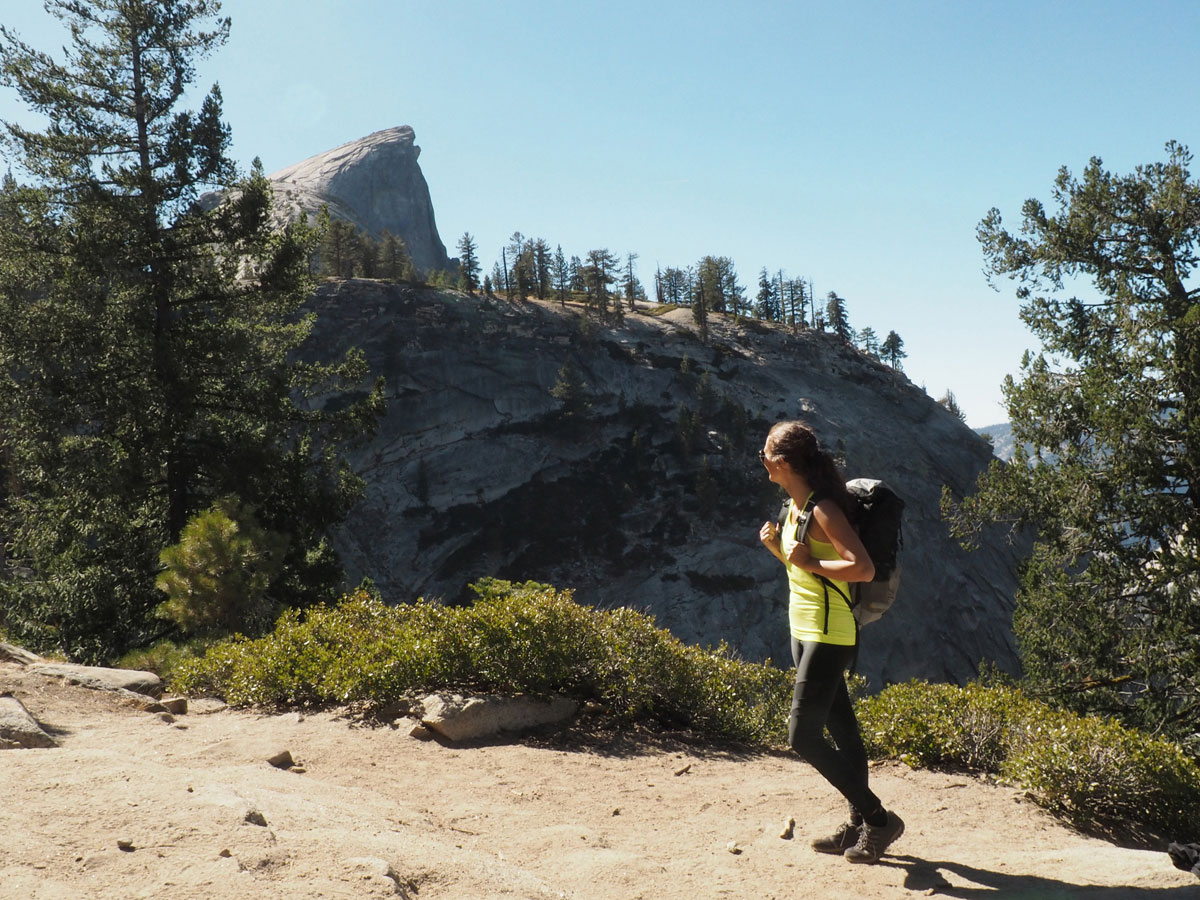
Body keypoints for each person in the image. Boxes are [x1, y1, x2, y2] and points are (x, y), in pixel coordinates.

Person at [757, 420, 904, 864]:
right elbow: (806, 567)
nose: (761, 460)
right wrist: (779, 552)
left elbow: (862, 569)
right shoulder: (794, 507)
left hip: (830, 632)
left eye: (765, 453)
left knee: (801, 735)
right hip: (803, 629)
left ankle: (880, 820)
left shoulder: (824, 510)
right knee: (841, 729)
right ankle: (858, 827)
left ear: (782, 463)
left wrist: (809, 563)